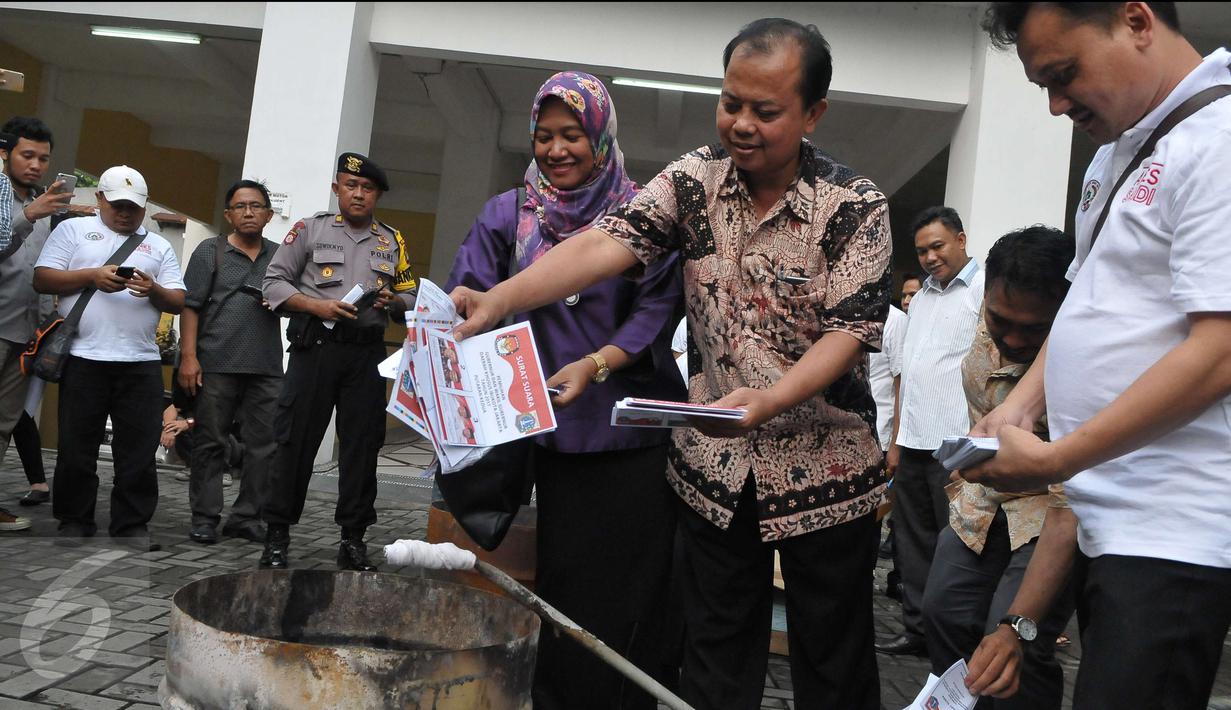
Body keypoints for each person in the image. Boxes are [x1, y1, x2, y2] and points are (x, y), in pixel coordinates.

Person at [451, 19, 891, 709]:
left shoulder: (854, 205)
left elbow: (849, 332)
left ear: (812, 113)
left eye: (765, 111)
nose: (740, 124)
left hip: (827, 472)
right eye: (730, 103)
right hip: (712, 472)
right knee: (713, 654)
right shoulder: (691, 181)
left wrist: (771, 400)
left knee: (832, 662)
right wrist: (496, 298)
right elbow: (605, 245)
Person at [963, 4, 1231, 707]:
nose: (1055, 105)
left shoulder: (1219, 140)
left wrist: (1055, 457)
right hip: (1100, 513)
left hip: (1171, 525)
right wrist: (1020, 404)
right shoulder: (1117, 150)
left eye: (1063, 74)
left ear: (1135, 20)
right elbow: (1088, 305)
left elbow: (1221, 348)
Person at [445, 71, 684, 710]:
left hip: (627, 434)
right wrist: (469, 302)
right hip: (544, 432)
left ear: (601, 135)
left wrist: (598, 364)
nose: (557, 150)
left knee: (628, 591)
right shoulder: (507, 212)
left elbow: (657, 307)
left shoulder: (642, 213)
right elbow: (469, 288)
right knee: (560, 585)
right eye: (545, 136)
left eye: (573, 135)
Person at [921, 225, 1075, 709]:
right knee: (944, 612)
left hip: (1053, 508)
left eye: (1033, 330)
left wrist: (1017, 624)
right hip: (982, 501)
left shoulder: (1084, 358)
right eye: (1000, 320)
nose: (1011, 338)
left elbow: (1072, 496)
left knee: (1013, 644)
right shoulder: (984, 325)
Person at [260, 152, 417, 571]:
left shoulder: (391, 241)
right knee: (295, 440)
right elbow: (273, 283)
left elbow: (412, 294)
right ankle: (276, 535)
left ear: (377, 194)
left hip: (366, 353)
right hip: (316, 349)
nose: (359, 194)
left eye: (367, 188)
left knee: (363, 446)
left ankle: (352, 538)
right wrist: (317, 307)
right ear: (337, 189)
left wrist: (395, 301)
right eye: (351, 186)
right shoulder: (309, 231)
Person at [33, 165, 185, 546]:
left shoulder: (159, 245)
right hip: (84, 357)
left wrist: (153, 290)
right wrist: (92, 276)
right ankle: (74, 520)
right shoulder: (72, 230)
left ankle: (131, 524)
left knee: (136, 449)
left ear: (145, 207)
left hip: (141, 361)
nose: (124, 213)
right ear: (99, 198)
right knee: (76, 445)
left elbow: (179, 300)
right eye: (117, 204)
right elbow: (42, 278)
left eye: (133, 207)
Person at [879, 206, 985, 657]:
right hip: (915, 439)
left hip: (956, 444)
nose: (930, 257)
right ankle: (918, 630)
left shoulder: (983, 291)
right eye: (922, 250)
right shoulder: (919, 300)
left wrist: (978, 443)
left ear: (961, 240)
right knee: (913, 543)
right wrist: (897, 440)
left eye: (938, 246)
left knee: (957, 545)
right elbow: (908, 373)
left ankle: (958, 639)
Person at [179, 179, 282, 545]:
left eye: (256, 206)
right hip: (216, 362)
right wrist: (188, 357)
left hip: (267, 366)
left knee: (264, 446)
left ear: (269, 215)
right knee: (210, 441)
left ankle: (246, 516)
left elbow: (296, 300)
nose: (249, 212)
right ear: (228, 215)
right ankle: (205, 517)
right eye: (241, 206)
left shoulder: (280, 256)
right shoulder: (210, 251)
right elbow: (190, 307)